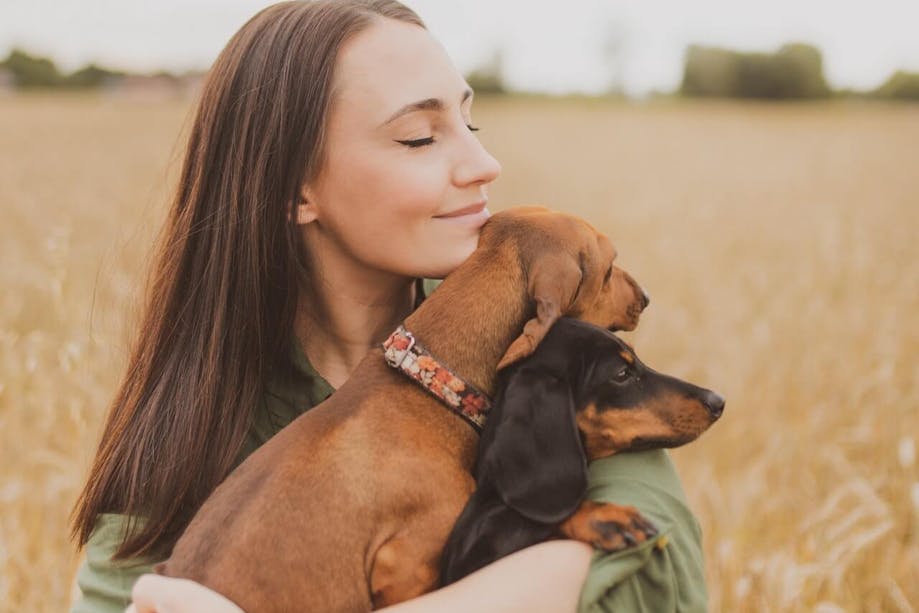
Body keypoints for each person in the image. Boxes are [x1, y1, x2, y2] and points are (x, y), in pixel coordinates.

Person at [69, 1, 708, 612]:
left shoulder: (544, 347)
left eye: (470, 121)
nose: (485, 163)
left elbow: (651, 567)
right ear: (297, 191)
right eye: (419, 137)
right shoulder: (190, 431)